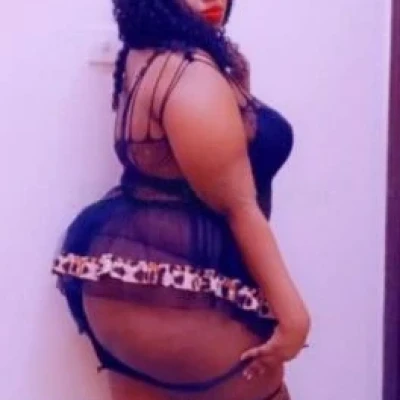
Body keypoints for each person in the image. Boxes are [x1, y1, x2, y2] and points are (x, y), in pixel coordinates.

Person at [52, 0, 310, 399]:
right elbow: (238, 206)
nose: (212, 1)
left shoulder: (144, 53)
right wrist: (294, 317)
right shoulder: (191, 73)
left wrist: (237, 87)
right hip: (176, 290)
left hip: (117, 282)